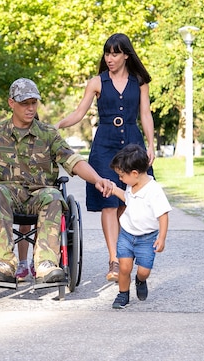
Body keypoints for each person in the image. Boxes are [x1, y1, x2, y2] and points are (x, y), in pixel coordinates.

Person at [0, 78, 113, 284]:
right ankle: (3, 263)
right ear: (11, 103)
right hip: (7, 194)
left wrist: (97, 179)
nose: (30, 108)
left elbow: (73, 161)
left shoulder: (48, 134)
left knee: (53, 195)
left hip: (40, 195)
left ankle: (46, 264)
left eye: (34, 103)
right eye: (25, 103)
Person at [55, 33, 155, 282]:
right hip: (105, 147)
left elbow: (145, 114)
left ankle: (126, 253)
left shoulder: (140, 82)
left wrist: (151, 145)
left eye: (115, 54)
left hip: (133, 145)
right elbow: (79, 113)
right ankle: (114, 260)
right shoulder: (96, 82)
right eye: (107, 53)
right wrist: (56, 126)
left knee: (127, 203)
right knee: (109, 203)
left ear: (126, 55)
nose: (109, 58)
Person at [107, 144, 171, 309]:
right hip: (127, 235)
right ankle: (123, 294)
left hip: (147, 238)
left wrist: (161, 238)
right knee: (124, 267)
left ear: (135, 173)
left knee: (144, 271)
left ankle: (140, 280)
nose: (120, 179)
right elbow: (127, 199)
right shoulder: (131, 184)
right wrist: (114, 190)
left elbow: (163, 215)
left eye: (121, 176)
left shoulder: (154, 190)